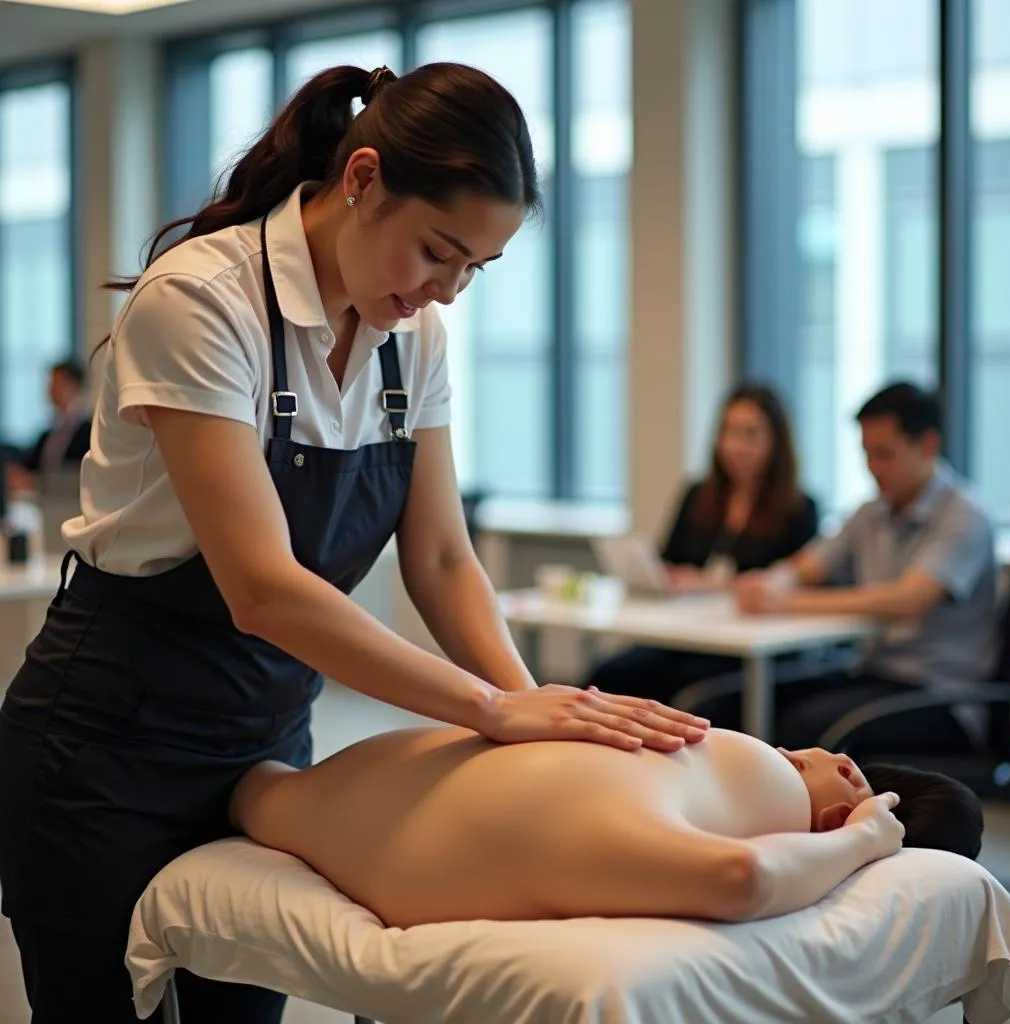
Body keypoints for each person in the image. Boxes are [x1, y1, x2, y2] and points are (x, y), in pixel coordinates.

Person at [0, 64, 708, 1024]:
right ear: (363, 178)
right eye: (437, 252)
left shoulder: (410, 339)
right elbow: (264, 589)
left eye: (475, 270)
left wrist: (541, 707)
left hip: (266, 750)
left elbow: (444, 560)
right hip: (105, 749)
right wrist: (493, 709)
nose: (447, 292)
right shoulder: (205, 301)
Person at [231, 725, 982, 930]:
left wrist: (862, 842)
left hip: (307, 794)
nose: (807, 752)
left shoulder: (768, 795)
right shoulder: (710, 781)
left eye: (829, 758)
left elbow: (744, 878)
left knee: (265, 792)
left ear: (851, 793)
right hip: (312, 802)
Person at [731, 381, 998, 755]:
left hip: (942, 696)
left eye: (885, 455)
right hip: (874, 674)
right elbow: (809, 564)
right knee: (741, 704)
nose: (873, 468)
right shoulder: (871, 511)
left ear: (928, 446)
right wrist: (770, 582)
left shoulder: (965, 515)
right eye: (867, 454)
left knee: (805, 726)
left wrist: (786, 602)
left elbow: (908, 599)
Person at [588, 383, 818, 705]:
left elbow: (790, 583)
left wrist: (712, 584)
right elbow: (667, 558)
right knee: (608, 677)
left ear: (776, 442)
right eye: (729, 432)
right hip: (689, 635)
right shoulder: (699, 495)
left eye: (750, 434)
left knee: (688, 695)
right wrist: (668, 576)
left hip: (743, 648)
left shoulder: (799, 508)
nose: (736, 446)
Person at [3, 358, 91, 497]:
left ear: (74, 386)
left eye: (57, 383)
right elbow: (30, 463)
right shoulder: (49, 434)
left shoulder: (89, 431)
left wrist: (37, 482)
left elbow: (80, 475)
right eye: (50, 384)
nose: (50, 390)